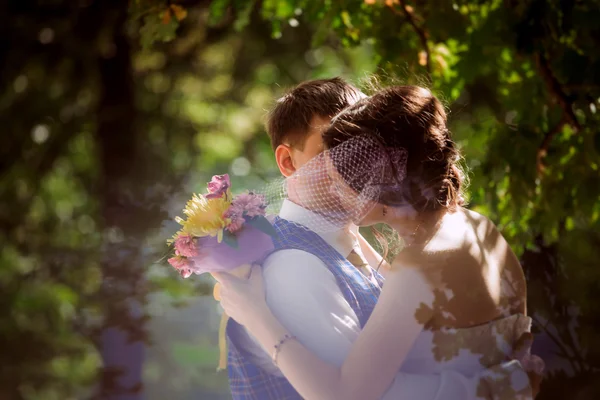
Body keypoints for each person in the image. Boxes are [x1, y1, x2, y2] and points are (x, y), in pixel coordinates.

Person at [216, 84, 543, 399]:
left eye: (352, 160)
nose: (338, 177)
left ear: (388, 171)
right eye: (329, 158)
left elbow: (348, 395)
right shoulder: (479, 228)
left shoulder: (415, 265)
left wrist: (256, 316)